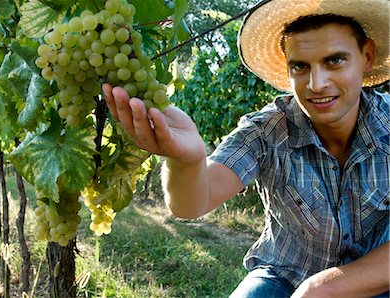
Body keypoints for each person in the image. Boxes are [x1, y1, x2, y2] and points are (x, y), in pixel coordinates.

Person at [102, 0, 389, 296]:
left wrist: (323, 288)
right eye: (300, 66)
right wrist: (186, 160)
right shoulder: (266, 131)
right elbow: (191, 204)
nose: (316, 84)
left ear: (366, 56)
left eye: (334, 61)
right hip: (284, 277)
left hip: (377, 281)